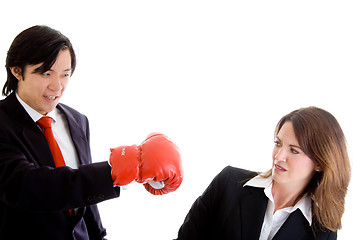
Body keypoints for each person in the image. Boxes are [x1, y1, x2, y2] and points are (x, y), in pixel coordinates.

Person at [0, 25, 183, 240]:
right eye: (46, 73)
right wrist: (114, 172)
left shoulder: (77, 121)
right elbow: (28, 187)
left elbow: (85, 199)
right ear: (16, 70)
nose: (57, 86)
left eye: (65, 74)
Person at [176, 107, 351, 240]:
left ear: (319, 163)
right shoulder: (228, 183)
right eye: (278, 143)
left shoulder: (322, 231)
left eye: (294, 151)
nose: (279, 156)